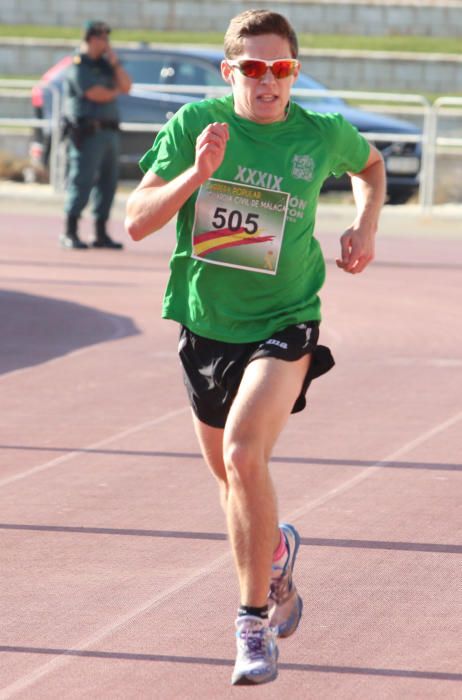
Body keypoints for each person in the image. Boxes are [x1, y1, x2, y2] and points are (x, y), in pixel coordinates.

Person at [125, 9, 386, 686]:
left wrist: (364, 225)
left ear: (293, 73)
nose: (268, 82)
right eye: (254, 69)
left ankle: (251, 626)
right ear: (229, 72)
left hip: (287, 320)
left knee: (245, 453)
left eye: (282, 70)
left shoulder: (319, 133)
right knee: (233, 480)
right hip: (206, 325)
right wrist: (197, 175)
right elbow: (135, 222)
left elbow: (371, 165)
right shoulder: (195, 127)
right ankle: (277, 557)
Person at [60, 20, 131, 249]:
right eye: (103, 38)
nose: (107, 43)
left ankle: (101, 233)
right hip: (88, 132)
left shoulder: (106, 64)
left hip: (109, 132)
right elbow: (95, 93)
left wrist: (116, 64)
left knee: (108, 184)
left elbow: (127, 86)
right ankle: (70, 231)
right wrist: (114, 91)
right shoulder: (78, 65)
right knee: (82, 180)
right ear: (91, 38)